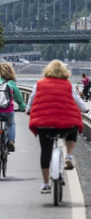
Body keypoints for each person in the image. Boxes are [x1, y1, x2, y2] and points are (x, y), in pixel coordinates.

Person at [27, 59, 88, 193]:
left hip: (44, 124)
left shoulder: (39, 84)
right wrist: (85, 109)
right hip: (65, 124)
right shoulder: (68, 85)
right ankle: (69, 156)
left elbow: (31, 100)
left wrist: (28, 109)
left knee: (45, 151)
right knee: (74, 128)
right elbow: (79, 103)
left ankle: (45, 184)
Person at [0, 63, 26, 169]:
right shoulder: (11, 83)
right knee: (11, 124)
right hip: (7, 110)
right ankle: (11, 140)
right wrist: (22, 108)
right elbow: (19, 99)